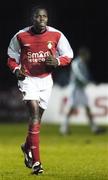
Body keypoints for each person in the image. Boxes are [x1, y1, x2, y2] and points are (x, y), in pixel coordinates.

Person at [7, 5, 74, 175]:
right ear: (33, 18)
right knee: (34, 114)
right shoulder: (20, 36)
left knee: (37, 121)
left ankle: (26, 146)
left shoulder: (56, 35)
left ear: (47, 18)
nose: (42, 20)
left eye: (44, 17)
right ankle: (37, 163)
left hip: (46, 81)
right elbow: (11, 57)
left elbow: (68, 54)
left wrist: (58, 62)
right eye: (38, 17)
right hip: (28, 79)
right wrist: (17, 70)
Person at [59, 47, 106, 135]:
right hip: (75, 89)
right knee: (71, 108)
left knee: (87, 107)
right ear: (83, 54)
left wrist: (91, 81)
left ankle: (94, 128)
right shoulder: (76, 63)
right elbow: (78, 74)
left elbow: (86, 75)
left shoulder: (83, 63)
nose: (88, 56)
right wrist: (87, 82)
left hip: (81, 89)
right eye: (87, 54)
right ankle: (64, 128)